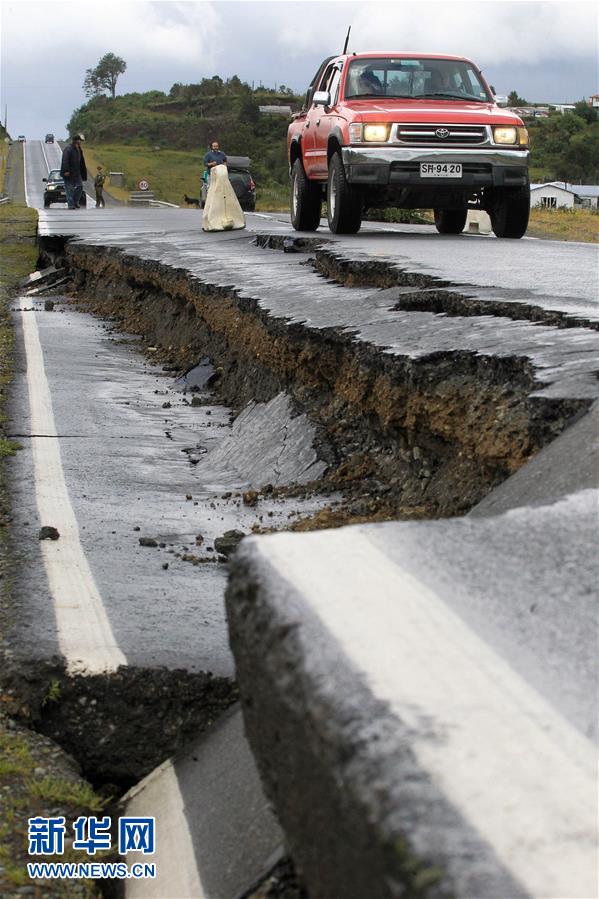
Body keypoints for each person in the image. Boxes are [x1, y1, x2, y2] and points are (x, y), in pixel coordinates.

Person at [202, 163, 245, 232]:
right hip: (216, 182)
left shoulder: (224, 186)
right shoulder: (214, 185)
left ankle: (214, 222)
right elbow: (206, 163)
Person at [60, 134, 87, 209]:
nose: (80, 143)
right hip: (68, 173)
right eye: (79, 141)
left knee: (80, 186)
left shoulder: (79, 150)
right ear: (76, 141)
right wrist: (66, 170)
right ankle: (71, 204)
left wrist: (82, 172)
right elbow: (65, 160)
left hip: (77, 173)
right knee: (69, 189)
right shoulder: (68, 149)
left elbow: (81, 162)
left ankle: (76, 201)